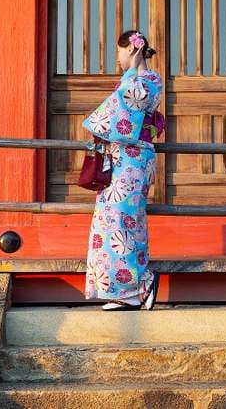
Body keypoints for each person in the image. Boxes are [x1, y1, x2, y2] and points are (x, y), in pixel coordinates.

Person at [82, 30, 165, 311]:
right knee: (109, 222)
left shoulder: (149, 80)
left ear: (132, 49)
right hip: (119, 160)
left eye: (119, 52)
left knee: (124, 222)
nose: (117, 59)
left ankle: (142, 284)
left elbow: (123, 112)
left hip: (133, 159)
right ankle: (124, 294)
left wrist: (99, 125)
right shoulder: (131, 80)